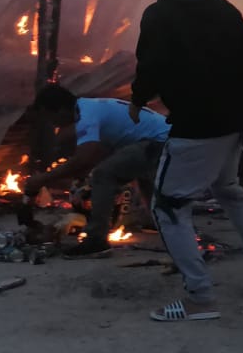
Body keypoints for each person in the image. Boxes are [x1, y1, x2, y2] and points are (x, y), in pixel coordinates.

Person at [129, 0, 243, 322]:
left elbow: (150, 64)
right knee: (228, 188)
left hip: (196, 126)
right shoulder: (220, 6)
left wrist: (136, 99)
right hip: (234, 119)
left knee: (167, 206)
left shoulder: (158, 14)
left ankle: (200, 297)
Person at [21, 85, 170, 258]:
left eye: (50, 117)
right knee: (141, 178)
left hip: (159, 141)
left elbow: (85, 157)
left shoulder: (86, 115)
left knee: (104, 175)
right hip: (164, 138)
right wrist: (53, 179)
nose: (52, 123)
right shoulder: (89, 107)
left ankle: (96, 240)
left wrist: (41, 179)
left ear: (61, 110)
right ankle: (165, 224)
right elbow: (90, 160)